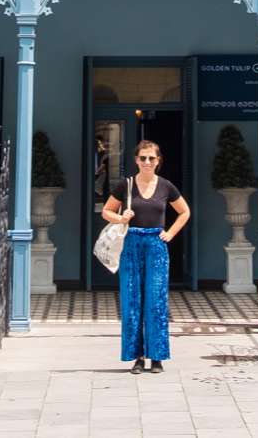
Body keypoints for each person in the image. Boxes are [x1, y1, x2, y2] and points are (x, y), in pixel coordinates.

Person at [100, 137, 188, 373]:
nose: (147, 162)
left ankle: (157, 356)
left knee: (156, 301)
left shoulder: (166, 186)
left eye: (151, 158)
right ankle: (137, 357)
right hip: (131, 244)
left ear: (158, 161)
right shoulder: (126, 185)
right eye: (143, 158)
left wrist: (169, 233)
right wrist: (122, 218)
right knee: (132, 300)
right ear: (136, 160)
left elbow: (184, 212)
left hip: (156, 246)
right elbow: (106, 211)